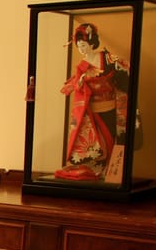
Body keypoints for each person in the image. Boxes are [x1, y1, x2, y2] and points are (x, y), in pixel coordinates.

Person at [56, 22, 131, 181]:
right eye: (79, 46)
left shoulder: (107, 58)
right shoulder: (82, 66)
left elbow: (124, 71)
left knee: (111, 138)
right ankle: (98, 170)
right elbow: (75, 84)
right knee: (99, 141)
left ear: (92, 43)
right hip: (92, 109)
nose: (82, 49)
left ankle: (111, 171)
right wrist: (81, 82)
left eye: (83, 45)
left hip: (110, 105)